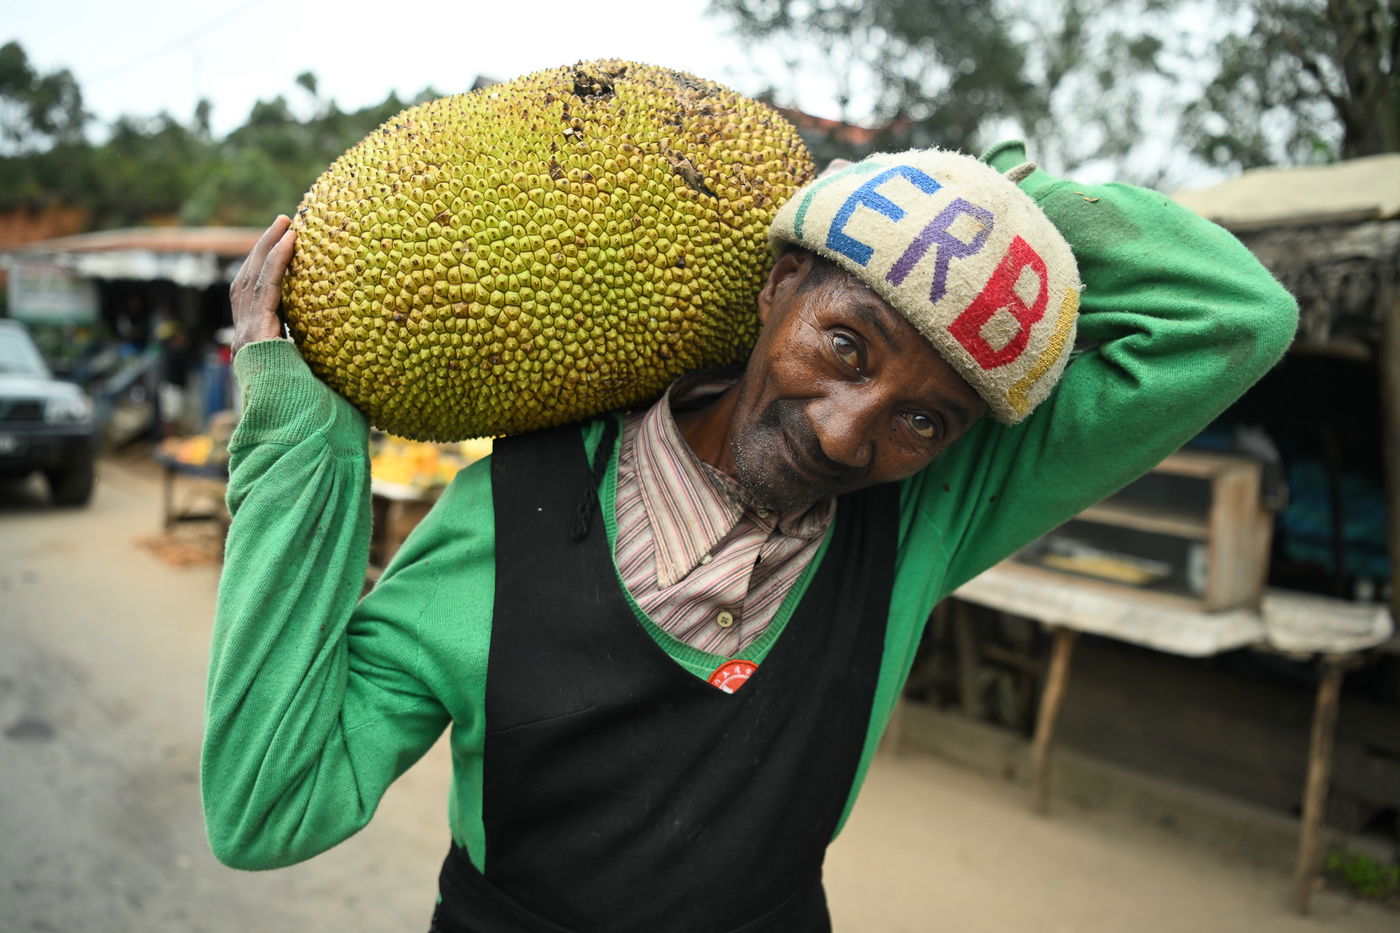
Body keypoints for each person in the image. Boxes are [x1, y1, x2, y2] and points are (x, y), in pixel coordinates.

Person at [202, 142, 1297, 932]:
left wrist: (981, 203)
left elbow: (1234, 318)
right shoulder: (507, 513)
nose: (844, 433)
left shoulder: (927, 509)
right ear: (779, 287)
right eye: (844, 347)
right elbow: (268, 808)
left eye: (923, 419)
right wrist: (299, 445)